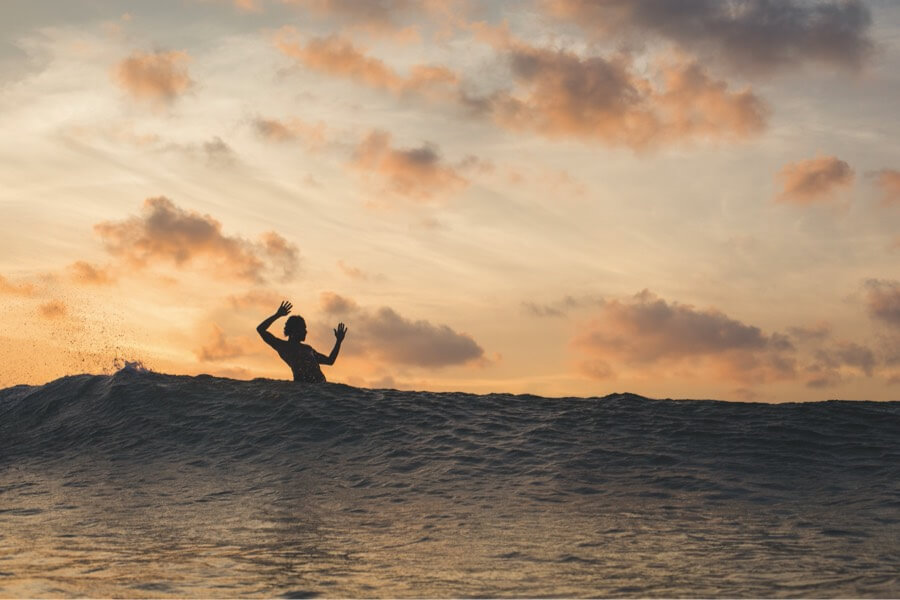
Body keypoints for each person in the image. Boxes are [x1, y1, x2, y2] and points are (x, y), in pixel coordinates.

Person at [257, 300, 347, 382]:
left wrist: (338, 342)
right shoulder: (283, 346)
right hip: (303, 389)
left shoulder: (308, 348)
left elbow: (330, 361)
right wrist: (277, 315)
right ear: (294, 330)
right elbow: (260, 329)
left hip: (320, 389)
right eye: (303, 328)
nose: (305, 332)